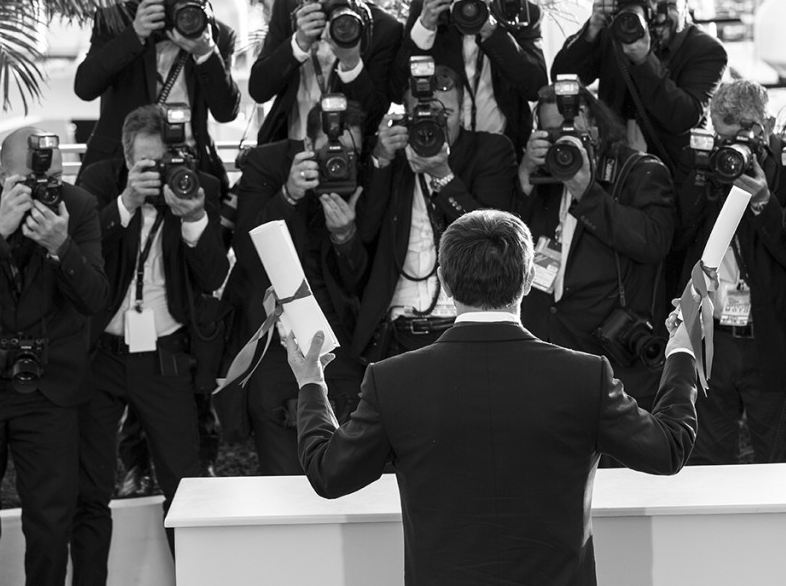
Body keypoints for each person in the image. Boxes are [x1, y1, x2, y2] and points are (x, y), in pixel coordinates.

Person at [285, 209, 698, 586]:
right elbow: (667, 449)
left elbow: (329, 472)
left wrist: (311, 384)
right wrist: (681, 351)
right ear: (528, 277)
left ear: (444, 282)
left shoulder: (392, 380)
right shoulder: (585, 376)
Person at [0, 127, 107, 586]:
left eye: (54, 178)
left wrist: (60, 246)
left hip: (50, 388)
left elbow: (94, 298)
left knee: (51, 525)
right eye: (30, 183)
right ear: (0, 175)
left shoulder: (79, 206)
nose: (45, 192)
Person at [71, 104, 230, 586]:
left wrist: (195, 217)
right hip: (104, 352)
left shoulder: (196, 184)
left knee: (184, 483)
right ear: (126, 157)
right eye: (146, 162)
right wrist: (124, 203)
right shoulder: (100, 181)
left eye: (164, 159)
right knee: (91, 487)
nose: (157, 171)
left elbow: (214, 276)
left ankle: (195, 579)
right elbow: (79, 253)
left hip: (164, 352)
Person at [221, 99, 370, 475]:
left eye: (348, 153)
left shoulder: (365, 176)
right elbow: (247, 255)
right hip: (276, 347)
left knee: (348, 474)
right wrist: (289, 194)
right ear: (307, 144)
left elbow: (362, 281)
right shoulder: (267, 164)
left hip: (340, 346)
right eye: (328, 151)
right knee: (282, 482)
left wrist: (345, 235)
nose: (338, 160)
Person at [676, 79, 786, 464]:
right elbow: (678, 237)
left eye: (740, 135)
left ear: (766, 125)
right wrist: (705, 177)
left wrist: (763, 201)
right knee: (707, 465)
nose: (730, 147)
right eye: (721, 136)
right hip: (711, 339)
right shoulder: (707, 163)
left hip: (772, 341)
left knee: (780, 464)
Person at [516, 80, 675, 415]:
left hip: (609, 354)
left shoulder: (640, 171)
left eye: (571, 127)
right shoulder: (547, 177)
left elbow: (653, 242)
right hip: (547, 351)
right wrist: (526, 176)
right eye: (553, 132)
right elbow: (515, 239)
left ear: (597, 122)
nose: (565, 139)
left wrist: (586, 192)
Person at [353, 63, 517, 362]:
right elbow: (365, 232)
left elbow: (493, 240)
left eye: (445, 114)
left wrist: (443, 175)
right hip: (396, 331)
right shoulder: (394, 156)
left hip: (468, 325)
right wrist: (380, 160)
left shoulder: (491, 150)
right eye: (421, 115)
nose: (433, 124)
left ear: (465, 110)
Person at [74, 0, 240, 186]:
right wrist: (135, 35)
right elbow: (85, 87)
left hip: (190, 164)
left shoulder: (216, 35)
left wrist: (206, 53)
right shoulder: (119, 20)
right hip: (122, 165)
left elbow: (226, 112)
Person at [550, 0, 726, 185]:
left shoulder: (706, 50)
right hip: (613, 167)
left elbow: (684, 116)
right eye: (650, 6)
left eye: (669, 6)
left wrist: (644, 60)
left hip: (673, 172)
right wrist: (591, 29)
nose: (660, 15)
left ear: (685, 6)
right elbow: (563, 78)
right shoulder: (615, 31)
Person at [391, 0, 547, 154]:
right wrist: (424, 27)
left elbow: (536, 87)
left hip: (502, 148)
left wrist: (494, 33)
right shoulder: (428, 11)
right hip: (440, 146)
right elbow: (396, 89)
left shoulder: (519, 13)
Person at [250, 0, 403, 144]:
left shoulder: (382, 28)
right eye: (314, 1)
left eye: (335, 1)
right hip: (292, 144)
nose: (326, 8)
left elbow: (373, 116)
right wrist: (299, 43)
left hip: (352, 152)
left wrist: (351, 63)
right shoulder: (288, 11)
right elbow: (259, 90)